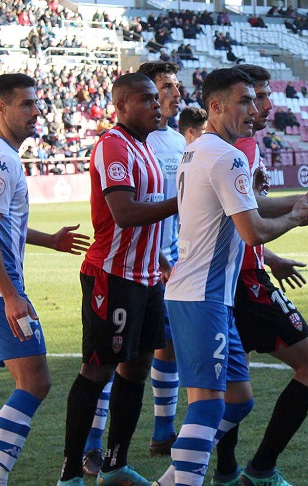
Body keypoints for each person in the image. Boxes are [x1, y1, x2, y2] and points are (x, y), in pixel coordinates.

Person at [150, 68, 308, 486]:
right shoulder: (227, 156)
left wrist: (299, 200)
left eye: (255, 100)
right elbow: (254, 231)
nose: (255, 110)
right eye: (244, 102)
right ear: (216, 106)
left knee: (238, 401)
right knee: (209, 408)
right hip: (202, 296)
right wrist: (297, 217)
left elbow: (245, 209)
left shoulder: (199, 149)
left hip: (207, 296)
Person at [211, 64, 308, 485]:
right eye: (256, 97)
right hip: (242, 282)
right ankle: (258, 467)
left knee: (231, 389)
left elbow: (237, 214)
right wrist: (298, 209)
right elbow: (245, 215)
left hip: (236, 276)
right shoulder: (234, 150)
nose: (266, 105)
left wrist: (269, 255)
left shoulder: (232, 145)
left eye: (266, 96)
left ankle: (227, 469)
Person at [0, 73, 90, 486]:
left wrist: (48, 240)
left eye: (37, 103)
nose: (37, 111)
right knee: (35, 381)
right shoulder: (1, 159)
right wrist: (10, 295)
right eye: (26, 104)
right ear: (1, 109)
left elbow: (0, 223)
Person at [57, 73, 178, 486]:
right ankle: (71, 473)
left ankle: (114, 465)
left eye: (155, 99)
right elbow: (124, 213)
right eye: (146, 99)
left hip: (146, 278)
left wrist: (158, 256)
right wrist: (185, 199)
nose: (155, 106)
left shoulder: (144, 148)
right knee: (98, 372)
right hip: (113, 277)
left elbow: (141, 215)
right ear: (122, 106)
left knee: (137, 369)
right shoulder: (113, 145)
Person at [140, 61, 186, 457]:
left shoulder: (178, 142)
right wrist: (155, 254)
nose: (175, 93)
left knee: (166, 345)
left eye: (176, 85)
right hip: (142, 262)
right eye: (166, 86)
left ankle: (162, 432)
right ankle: (89, 446)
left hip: (174, 261)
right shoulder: (136, 143)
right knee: (118, 356)